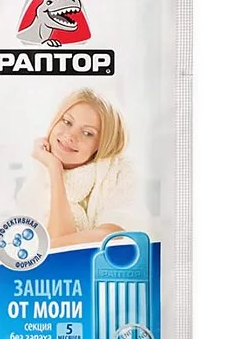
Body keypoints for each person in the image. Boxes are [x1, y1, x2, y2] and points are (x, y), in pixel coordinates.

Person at [15, 88, 146, 248]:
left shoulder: (119, 171)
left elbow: (112, 236)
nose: (70, 136)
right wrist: (54, 169)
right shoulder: (34, 186)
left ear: (101, 145)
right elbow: (60, 254)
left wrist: (44, 248)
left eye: (87, 133)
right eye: (67, 122)